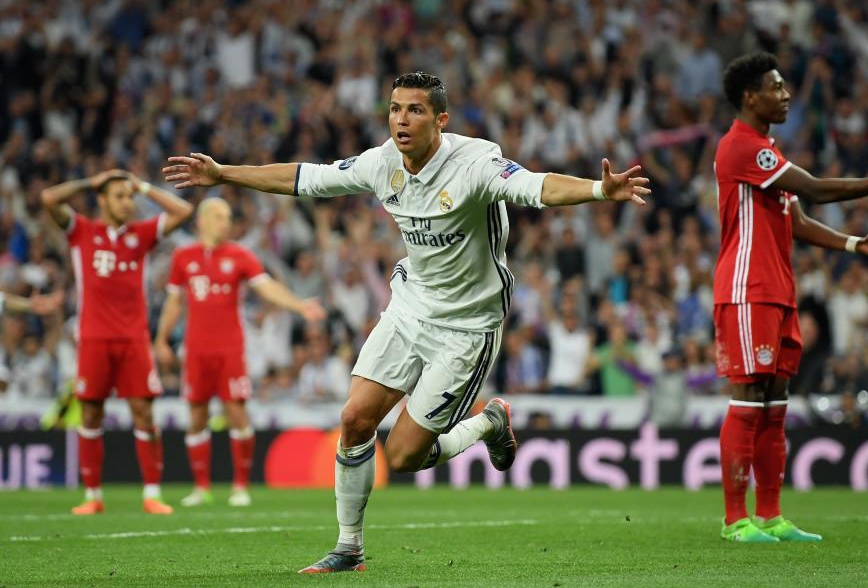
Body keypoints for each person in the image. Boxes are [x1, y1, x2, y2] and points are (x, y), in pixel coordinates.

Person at [163, 71, 650, 573]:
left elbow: (534, 187)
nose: (402, 119)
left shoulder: (475, 164)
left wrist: (597, 188)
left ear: (441, 120)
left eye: (415, 110)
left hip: (467, 324)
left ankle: (488, 423)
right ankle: (348, 548)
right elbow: (305, 179)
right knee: (354, 420)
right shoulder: (381, 163)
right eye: (395, 108)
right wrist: (225, 174)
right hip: (410, 307)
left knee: (403, 457)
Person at [713, 52, 868, 543]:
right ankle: (736, 521)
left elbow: (796, 221)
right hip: (746, 288)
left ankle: (771, 516)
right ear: (750, 97)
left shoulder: (767, 153)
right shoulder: (741, 147)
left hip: (778, 290)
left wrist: (855, 244)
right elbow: (817, 188)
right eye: (776, 87)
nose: (786, 94)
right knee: (750, 397)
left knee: (776, 403)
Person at [154, 197, 326, 507]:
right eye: (219, 216)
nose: (226, 222)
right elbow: (173, 303)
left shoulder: (239, 255)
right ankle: (201, 487)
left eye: (228, 216)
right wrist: (161, 339)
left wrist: (298, 305)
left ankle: (240, 486)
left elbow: (266, 287)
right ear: (202, 220)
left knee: (236, 412)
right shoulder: (183, 257)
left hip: (229, 349)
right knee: (196, 416)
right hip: (196, 351)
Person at [40, 169, 194, 515]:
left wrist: (142, 186)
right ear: (102, 199)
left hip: (133, 338)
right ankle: (93, 496)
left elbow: (183, 212)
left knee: (143, 411)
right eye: (120, 196)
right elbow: (49, 198)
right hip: (93, 337)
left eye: (130, 196)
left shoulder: (139, 235)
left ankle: (152, 493)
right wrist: (89, 181)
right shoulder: (81, 230)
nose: (128, 202)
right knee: (91, 412)